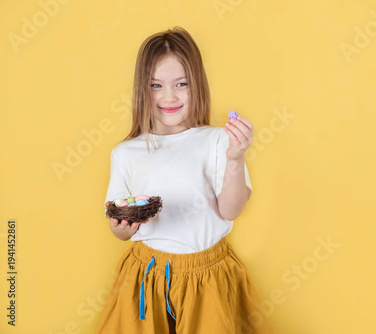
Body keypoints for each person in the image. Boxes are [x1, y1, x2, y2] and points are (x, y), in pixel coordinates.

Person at [95, 26, 275, 334]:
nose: (169, 96)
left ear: (198, 85)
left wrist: (235, 158)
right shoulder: (125, 153)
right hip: (145, 278)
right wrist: (123, 226)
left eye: (182, 84)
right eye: (156, 85)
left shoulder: (218, 141)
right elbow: (119, 228)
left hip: (208, 278)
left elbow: (230, 210)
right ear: (142, 88)